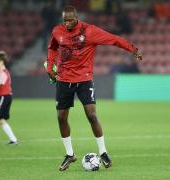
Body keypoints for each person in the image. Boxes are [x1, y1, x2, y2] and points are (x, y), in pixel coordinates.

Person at [45, 5, 142, 171]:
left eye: (70, 20)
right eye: (65, 20)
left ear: (76, 18)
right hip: (64, 79)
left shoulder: (90, 31)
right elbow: (53, 47)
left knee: (91, 115)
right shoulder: (57, 31)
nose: (67, 23)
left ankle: (103, 152)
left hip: (84, 79)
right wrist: (50, 68)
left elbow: (114, 39)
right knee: (61, 117)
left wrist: (132, 49)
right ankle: (69, 154)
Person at [0, 51, 18, 145]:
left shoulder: (3, 73)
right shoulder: (4, 72)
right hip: (6, 97)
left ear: (1, 62)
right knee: (2, 120)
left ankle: (14, 140)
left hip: (3, 97)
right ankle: (14, 140)